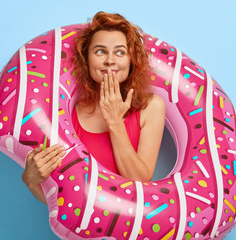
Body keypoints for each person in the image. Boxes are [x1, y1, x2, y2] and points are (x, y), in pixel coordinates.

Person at [22, 12, 166, 204]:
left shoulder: (151, 107)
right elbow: (64, 198)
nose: (109, 60)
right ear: (87, 60)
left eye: (120, 52)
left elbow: (139, 181)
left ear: (131, 60)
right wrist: (31, 181)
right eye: (100, 51)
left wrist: (114, 121)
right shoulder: (67, 114)